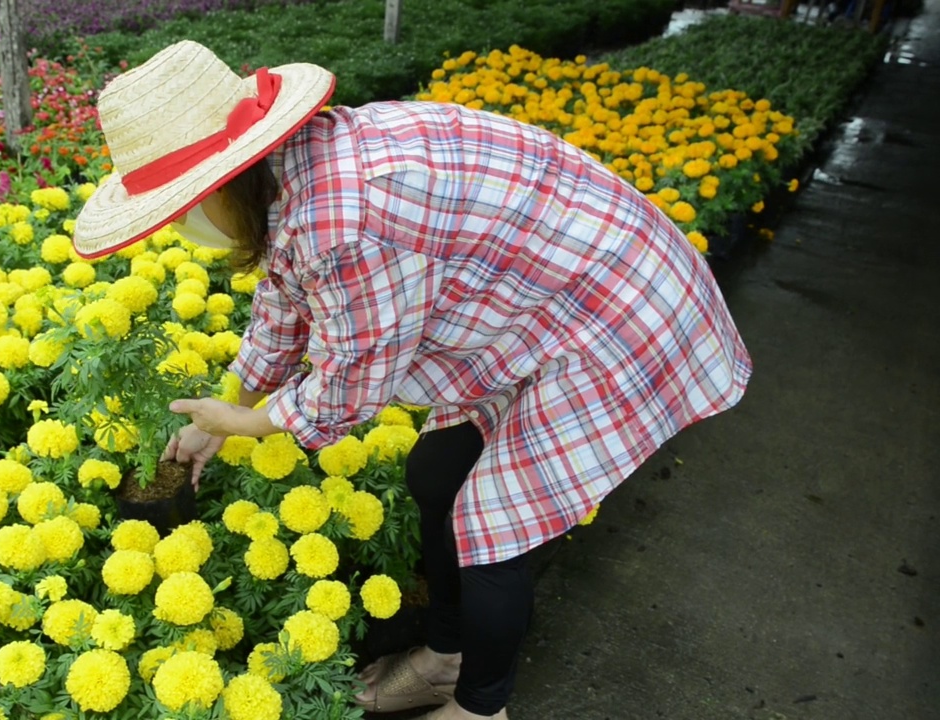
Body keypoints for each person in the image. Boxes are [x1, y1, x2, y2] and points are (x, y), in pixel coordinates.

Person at [72, 40, 752, 720]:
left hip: (612, 307)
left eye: (181, 209)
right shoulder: (288, 181)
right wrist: (218, 417)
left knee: (494, 525)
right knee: (435, 474)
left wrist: (247, 424)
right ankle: (446, 659)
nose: (184, 228)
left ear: (223, 181)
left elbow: (351, 385)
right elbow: (283, 307)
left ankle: (482, 710)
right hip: (539, 296)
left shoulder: (342, 222)